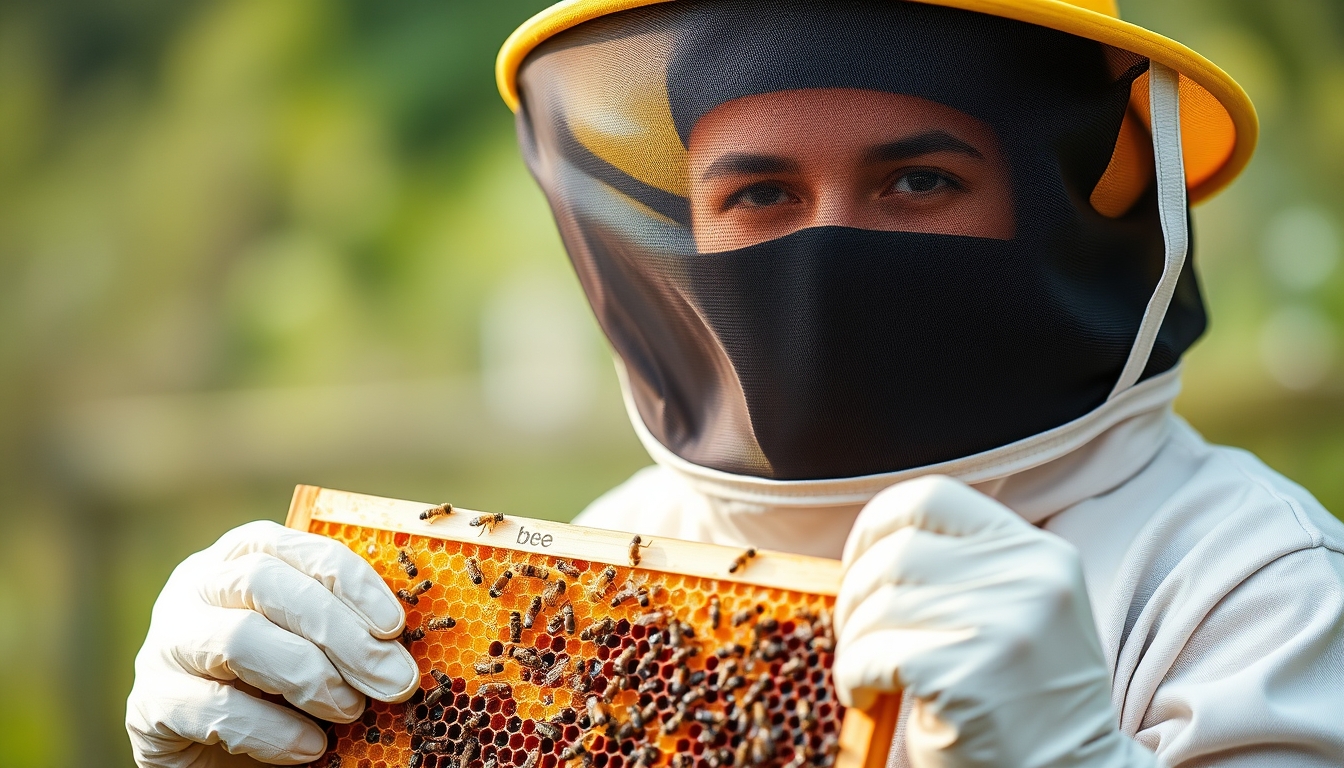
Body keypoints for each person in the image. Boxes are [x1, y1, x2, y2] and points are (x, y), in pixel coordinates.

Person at [126, 1, 1344, 766]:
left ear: (1071, 200)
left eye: (916, 181)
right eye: (758, 195)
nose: (826, 255)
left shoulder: (1250, 586)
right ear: (682, 228)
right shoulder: (620, 549)